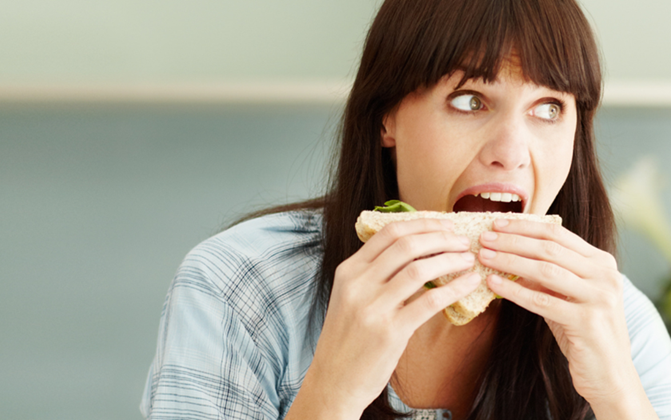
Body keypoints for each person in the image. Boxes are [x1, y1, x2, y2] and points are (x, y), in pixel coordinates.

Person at [141, 0, 671, 418]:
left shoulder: (618, 321)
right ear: (386, 118)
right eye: (469, 100)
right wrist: (333, 391)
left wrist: (620, 397)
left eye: (549, 108)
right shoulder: (242, 288)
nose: (511, 152)